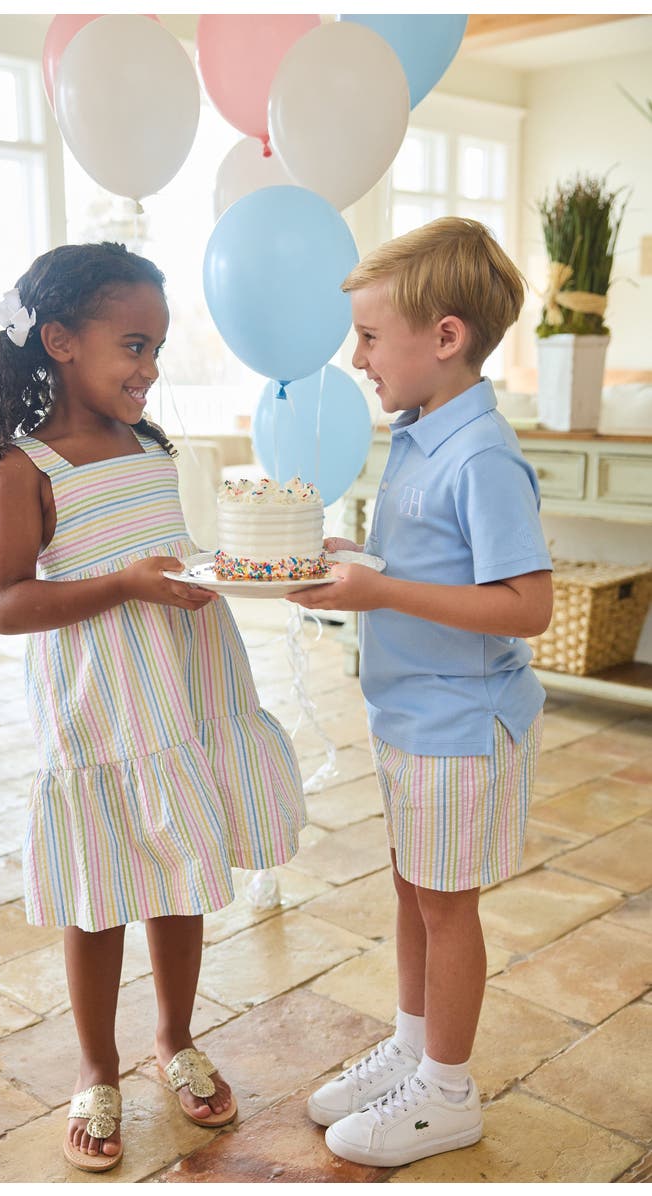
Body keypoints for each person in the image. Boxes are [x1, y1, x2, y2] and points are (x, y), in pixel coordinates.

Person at [0, 241, 305, 1173]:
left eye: (158, 349)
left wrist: (206, 574)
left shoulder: (148, 446)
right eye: (135, 345)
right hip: (103, 710)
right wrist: (126, 584)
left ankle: (175, 1037)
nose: (151, 370)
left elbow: (164, 550)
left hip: (182, 688)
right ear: (59, 341)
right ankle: (97, 1065)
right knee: (103, 883)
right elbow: (4, 604)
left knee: (178, 860)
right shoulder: (25, 468)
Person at [289, 217, 553, 1169]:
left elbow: (527, 605)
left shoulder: (481, 453)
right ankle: (413, 1049)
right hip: (411, 715)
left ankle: (447, 1092)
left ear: (445, 337)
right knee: (414, 888)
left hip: (457, 725)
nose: (354, 355)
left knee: (447, 906)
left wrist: (381, 590)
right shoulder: (420, 433)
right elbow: (432, 562)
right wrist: (358, 562)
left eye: (368, 335)